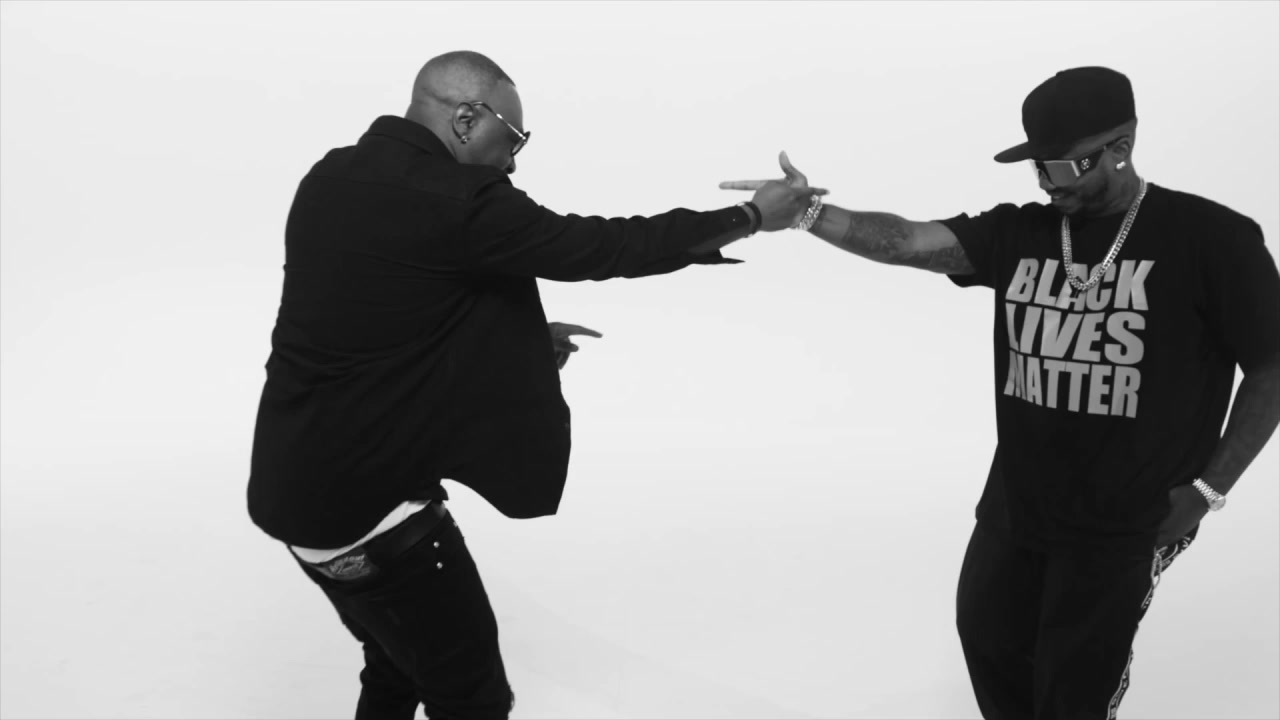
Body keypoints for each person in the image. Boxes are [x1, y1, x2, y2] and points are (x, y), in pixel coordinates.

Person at [247, 50, 820, 720]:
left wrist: (515, 343)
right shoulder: (461, 201)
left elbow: (374, 312)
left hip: (290, 492)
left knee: (397, 669)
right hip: (374, 517)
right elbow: (606, 247)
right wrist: (751, 216)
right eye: (513, 139)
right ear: (466, 119)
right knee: (474, 701)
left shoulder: (330, 176)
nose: (514, 162)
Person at [723, 66, 1280, 718]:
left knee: (1074, 692)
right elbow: (909, 241)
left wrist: (1209, 490)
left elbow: (1271, 367)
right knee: (988, 642)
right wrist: (808, 213)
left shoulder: (1211, 238)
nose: (1047, 184)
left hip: (1125, 519)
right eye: (1037, 167)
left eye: (1063, 168)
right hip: (1017, 507)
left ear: (1122, 147)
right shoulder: (1024, 231)